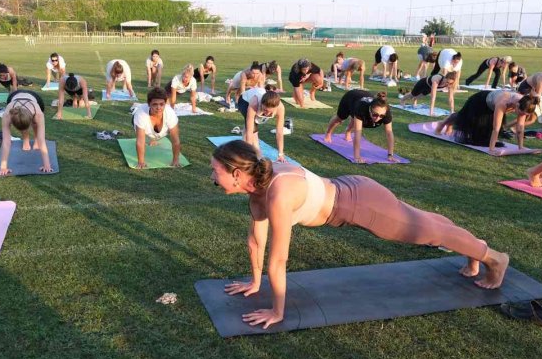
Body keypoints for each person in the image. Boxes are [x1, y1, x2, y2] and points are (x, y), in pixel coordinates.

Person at [211, 140, 510, 329]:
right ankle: (474, 253)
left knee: (428, 232)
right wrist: (254, 281)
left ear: (237, 174)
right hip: (354, 190)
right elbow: (255, 239)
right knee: (428, 222)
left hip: (360, 204)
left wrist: (277, 311)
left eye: (216, 172)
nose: (213, 178)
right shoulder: (258, 189)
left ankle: (494, 258)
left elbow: (279, 259)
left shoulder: (278, 194)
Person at [434, 90, 539, 154]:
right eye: (521, 112)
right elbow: (496, 128)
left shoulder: (525, 104)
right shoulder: (503, 102)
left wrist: (521, 148)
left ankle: (447, 125)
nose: (522, 116)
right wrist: (491, 149)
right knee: (464, 117)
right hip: (479, 101)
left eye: (525, 115)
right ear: (517, 105)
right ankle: (442, 124)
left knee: (482, 132)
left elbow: (520, 128)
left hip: (491, 106)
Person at [323, 90, 397, 163]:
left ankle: (348, 132)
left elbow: (389, 133)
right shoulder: (362, 109)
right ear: (370, 109)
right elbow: (358, 133)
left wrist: (390, 155)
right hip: (351, 98)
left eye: (381, 116)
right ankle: (328, 132)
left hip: (360, 99)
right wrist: (357, 156)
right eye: (375, 114)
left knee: (356, 119)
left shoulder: (386, 113)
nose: (378, 118)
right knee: (340, 118)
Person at [0, 90, 53, 176]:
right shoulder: (7, 114)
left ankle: (35, 140)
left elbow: (42, 140)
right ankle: (25, 140)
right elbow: (6, 141)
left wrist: (47, 165)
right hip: (14, 97)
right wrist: (3, 167)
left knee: (36, 126)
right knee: (21, 120)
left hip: (34, 98)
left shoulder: (38, 113)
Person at [132, 87, 181, 169]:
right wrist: (141, 162)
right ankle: (152, 138)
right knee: (145, 136)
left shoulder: (170, 114)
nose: (158, 108)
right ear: (149, 104)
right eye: (155, 104)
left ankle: (153, 138)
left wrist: (175, 160)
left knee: (157, 135)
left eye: (162, 104)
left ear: (165, 103)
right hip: (142, 125)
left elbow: (175, 140)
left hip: (162, 131)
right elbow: (140, 141)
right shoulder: (141, 113)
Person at [240, 86, 287, 160]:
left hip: (258, 102)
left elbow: (279, 132)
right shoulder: (254, 103)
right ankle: (258, 154)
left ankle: (244, 141)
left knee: (251, 125)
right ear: (261, 104)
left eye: (270, 112)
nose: (267, 114)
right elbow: (250, 131)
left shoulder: (280, 108)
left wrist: (280, 153)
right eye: (265, 110)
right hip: (244, 101)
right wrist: (249, 152)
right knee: (253, 131)